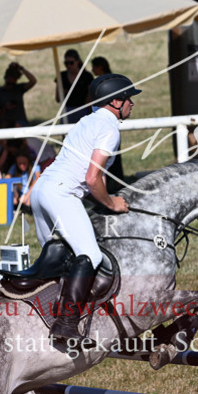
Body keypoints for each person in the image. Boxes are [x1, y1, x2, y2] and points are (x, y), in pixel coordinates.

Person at [31, 73, 137, 343]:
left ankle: (44, 318)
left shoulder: (85, 121)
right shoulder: (110, 128)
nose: (132, 103)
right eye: (128, 98)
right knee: (89, 255)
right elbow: (92, 178)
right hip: (61, 193)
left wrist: (99, 200)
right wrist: (112, 203)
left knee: (59, 258)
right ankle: (66, 324)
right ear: (116, 102)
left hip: (41, 191)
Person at [0, 62, 37, 128]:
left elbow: (33, 81)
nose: (10, 86)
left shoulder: (18, 89)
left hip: (19, 122)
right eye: (9, 83)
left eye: (13, 84)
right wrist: (5, 108)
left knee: (17, 126)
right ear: (5, 77)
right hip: (4, 123)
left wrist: (21, 68)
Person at [56, 49, 94, 124]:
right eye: (66, 63)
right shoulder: (61, 76)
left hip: (84, 110)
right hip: (67, 111)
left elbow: (91, 96)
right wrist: (62, 93)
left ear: (78, 61)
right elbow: (57, 98)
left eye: (71, 63)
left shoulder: (87, 76)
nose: (68, 66)